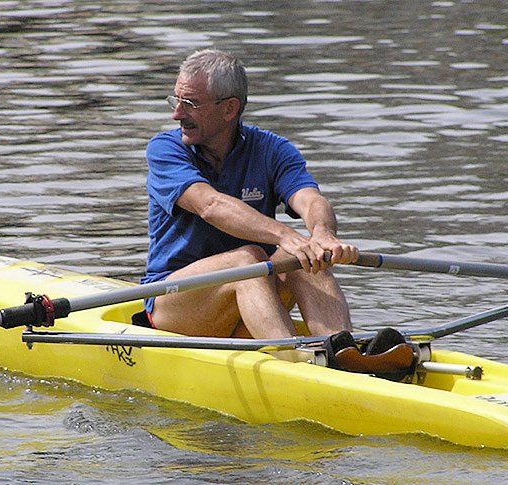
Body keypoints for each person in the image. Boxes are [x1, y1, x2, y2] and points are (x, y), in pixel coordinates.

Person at [140, 49, 359, 343]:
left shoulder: (272, 149)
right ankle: (290, 362)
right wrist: (284, 235)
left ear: (229, 109)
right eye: (176, 101)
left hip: (250, 297)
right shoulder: (166, 149)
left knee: (306, 253)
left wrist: (323, 234)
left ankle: (343, 352)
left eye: (190, 104)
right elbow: (210, 205)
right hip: (174, 302)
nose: (177, 114)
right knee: (249, 259)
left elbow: (310, 199)